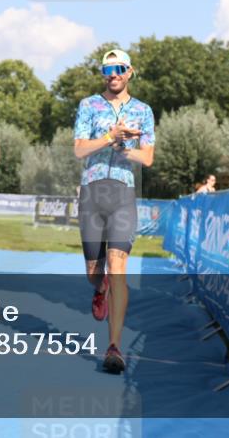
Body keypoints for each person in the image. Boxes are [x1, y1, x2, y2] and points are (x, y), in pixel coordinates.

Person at [73, 48, 155, 374]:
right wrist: (109, 137)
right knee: (95, 270)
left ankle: (114, 347)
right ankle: (99, 287)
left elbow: (146, 158)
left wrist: (123, 147)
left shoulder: (143, 111)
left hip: (122, 193)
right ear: (103, 73)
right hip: (93, 191)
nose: (114, 73)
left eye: (120, 67)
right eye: (108, 69)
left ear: (130, 71)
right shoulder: (88, 105)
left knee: (117, 267)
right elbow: (79, 149)